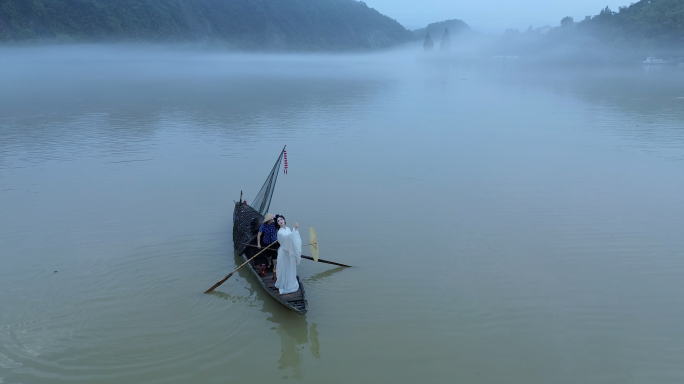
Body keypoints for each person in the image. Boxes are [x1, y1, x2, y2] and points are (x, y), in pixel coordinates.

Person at [273, 214, 302, 295]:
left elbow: (292, 238)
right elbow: (287, 237)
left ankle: (291, 283)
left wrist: (294, 231)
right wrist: (295, 230)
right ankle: (285, 285)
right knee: (285, 268)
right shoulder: (280, 232)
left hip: (290, 252)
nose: (280, 221)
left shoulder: (288, 228)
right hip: (285, 253)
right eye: (278, 221)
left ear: (284, 220)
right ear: (277, 223)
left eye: (281, 219)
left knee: (291, 267)